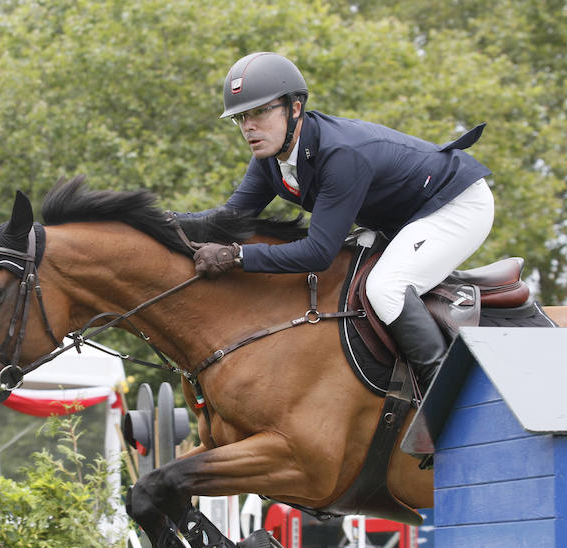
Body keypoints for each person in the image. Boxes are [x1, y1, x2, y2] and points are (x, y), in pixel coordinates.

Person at [193, 52, 494, 394]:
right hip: (401, 217)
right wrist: (161, 222)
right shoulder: (269, 158)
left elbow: (318, 253)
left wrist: (238, 257)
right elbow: (228, 219)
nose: (249, 126)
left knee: (385, 288)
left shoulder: (340, 154)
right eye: (241, 117)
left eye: (260, 111)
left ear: (294, 108)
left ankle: (447, 397)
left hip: (456, 203)